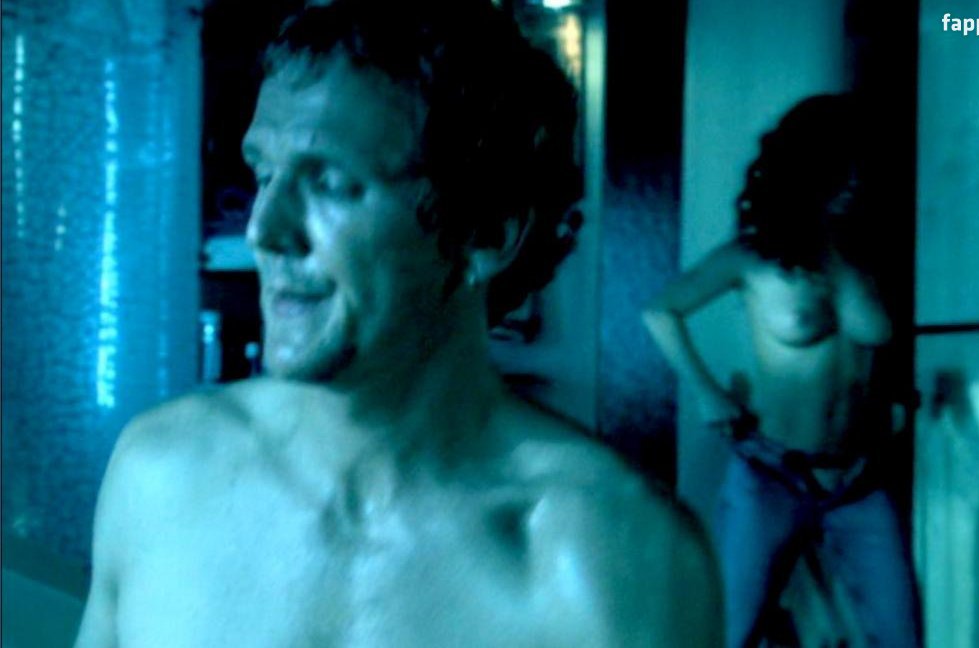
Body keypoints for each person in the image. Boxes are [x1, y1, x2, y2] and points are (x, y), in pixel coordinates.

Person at [74, 1, 722, 645]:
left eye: (330, 182)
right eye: (264, 174)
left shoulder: (611, 562)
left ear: (486, 234)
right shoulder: (160, 475)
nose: (263, 230)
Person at [643, 94, 919, 647]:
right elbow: (660, 311)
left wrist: (896, 400)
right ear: (808, 170)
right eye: (842, 167)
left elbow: (870, 346)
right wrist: (707, 392)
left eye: (861, 167)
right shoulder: (752, 257)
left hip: (858, 480)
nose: (855, 180)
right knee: (730, 634)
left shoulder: (870, 254)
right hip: (774, 473)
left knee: (902, 637)